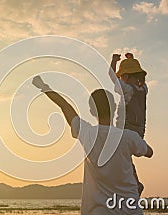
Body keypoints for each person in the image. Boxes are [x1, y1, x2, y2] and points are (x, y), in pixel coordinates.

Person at [32, 76, 153, 215]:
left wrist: (44, 86)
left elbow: (64, 105)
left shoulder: (87, 133)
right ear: (114, 108)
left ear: (91, 111)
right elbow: (149, 152)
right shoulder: (128, 137)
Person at [109, 53, 148, 196]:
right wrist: (131, 60)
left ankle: (134, 184)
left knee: (118, 155)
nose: (120, 79)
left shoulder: (126, 89)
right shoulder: (144, 89)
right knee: (125, 157)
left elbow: (111, 75)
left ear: (125, 76)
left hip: (124, 128)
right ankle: (134, 184)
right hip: (140, 131)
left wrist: (113, 61)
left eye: (122, 76)